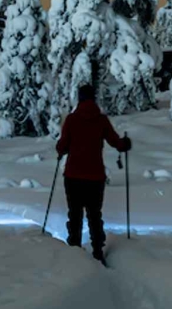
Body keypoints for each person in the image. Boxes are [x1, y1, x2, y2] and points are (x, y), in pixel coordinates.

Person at [55, 84, 131, 261]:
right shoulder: (101, 120)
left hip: (73, 176)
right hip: (95, 177)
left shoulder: (72, 120)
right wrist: (125, 144)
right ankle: (98, 250)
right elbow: (116, 142)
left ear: (79, 98)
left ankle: (74, 249)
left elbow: (62, 146)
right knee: (94, 214)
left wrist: (60, 149)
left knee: (75, 214)